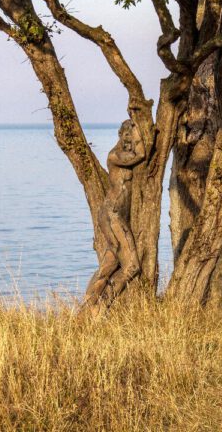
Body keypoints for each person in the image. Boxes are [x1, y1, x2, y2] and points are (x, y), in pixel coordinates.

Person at [84, 119, 145, 311]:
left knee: (109, 265)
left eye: (132, 135)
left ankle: (87, 310)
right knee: (132, 266)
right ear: (123, 135)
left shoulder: (123, 152)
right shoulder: (115, 155)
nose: (131, 139)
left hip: (116, 216)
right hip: (112, 214)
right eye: (128, 135)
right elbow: (141, 155)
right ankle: (101, 306)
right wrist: (138, 135)